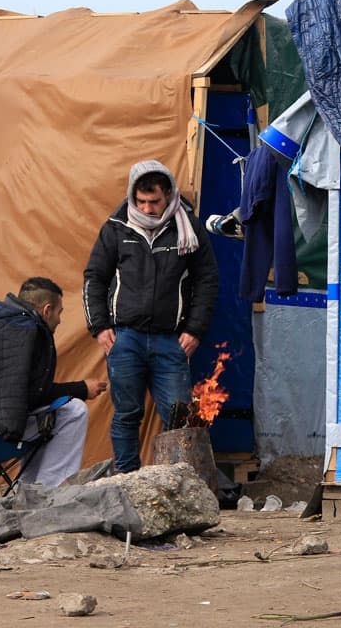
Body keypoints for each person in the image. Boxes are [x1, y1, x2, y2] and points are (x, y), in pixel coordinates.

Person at [83, 160, 219, 472]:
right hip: (124, 338)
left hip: (171, 339)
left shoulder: (188, 227)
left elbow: (207, 280)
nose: (147, 208)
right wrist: (99, 327)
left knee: (179, 417)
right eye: (141, 201)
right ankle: (128, 482)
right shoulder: (116, 227)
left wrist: (195, 330)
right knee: (127, 415)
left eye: (154, 201)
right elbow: (94, 278)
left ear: (168, 195)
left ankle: (178, 482)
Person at [0, 277, 108, 487]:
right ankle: (50, 489)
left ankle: (29, 487)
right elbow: (28, 395)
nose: (60, 320)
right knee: (73, 411)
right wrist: (81, 389)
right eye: (59, 312)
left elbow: (21, 391)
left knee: (45, 415)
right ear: (47, 310)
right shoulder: (22, 330)